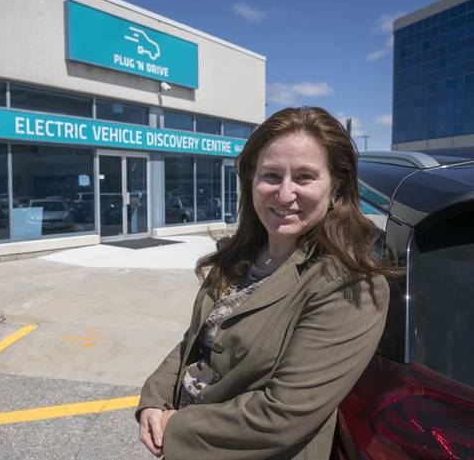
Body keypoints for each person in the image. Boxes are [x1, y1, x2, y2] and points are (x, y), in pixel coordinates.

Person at [136, 106, 395, 460]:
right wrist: (154, 399)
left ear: (336, 187)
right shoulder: (239, 255)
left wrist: (176, 427)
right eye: (271, 175)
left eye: (304, 177)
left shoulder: (350, 282)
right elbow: (196, 341)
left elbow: (282, 414)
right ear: (251, 181)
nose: (285, 193)